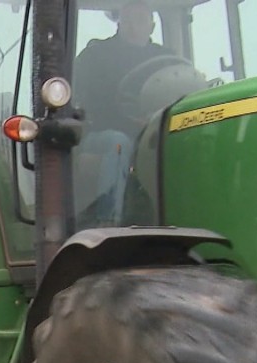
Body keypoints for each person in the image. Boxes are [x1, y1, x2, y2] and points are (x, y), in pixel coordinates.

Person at [71, 1, 171, 227]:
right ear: (119, 23)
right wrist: (128, 119)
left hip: (154, 135)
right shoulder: (95, 55)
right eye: (128, 20)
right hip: (100, 135)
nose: (133, 26)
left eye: (140, 20)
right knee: (119, 144)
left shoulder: (166, 59)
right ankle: (108, 222)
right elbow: (82, 100)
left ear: (152, 26)